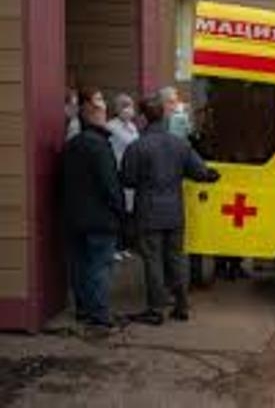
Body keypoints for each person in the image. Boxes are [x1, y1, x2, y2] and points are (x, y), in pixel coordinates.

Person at [121, 96, 219, 325]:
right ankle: (182, 306)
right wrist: (213, 175)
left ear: (143, 118)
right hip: (175, 212)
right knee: (177, 259)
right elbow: (201, 172)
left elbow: (127, 180)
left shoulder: (137, 147)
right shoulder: (180, 145)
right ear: (164, 116)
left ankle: (156, 310)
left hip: (148, 213)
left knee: (153, 261)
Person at [62, 86, 124, 333]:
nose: (104, 111)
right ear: (92, 114)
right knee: (100, 266)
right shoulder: (100, 146)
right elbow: (110, 184)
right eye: (101, 108)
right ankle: (100, 315)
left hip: (74, 217)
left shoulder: (71, 145)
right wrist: (120, 211)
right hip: (100, 218)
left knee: (80, 265)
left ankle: (84, 309)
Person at [106, 93, 139, 259]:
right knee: (117, 210)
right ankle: (114, 247)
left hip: (130, 172)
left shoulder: (132, 126)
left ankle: (124, 245)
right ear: (117, 108)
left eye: (130, 105)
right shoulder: (111, 126)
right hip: (117, 172)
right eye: (124, 105)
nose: (128, 109)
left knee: (128, 211)